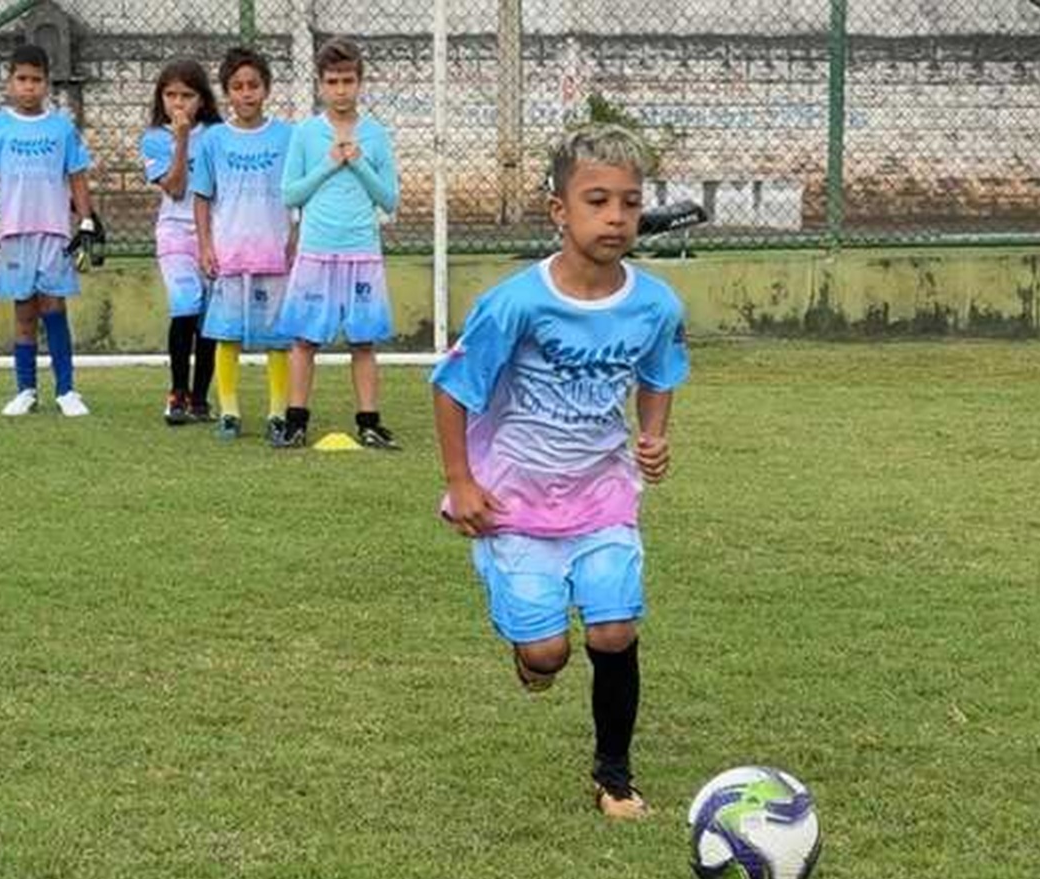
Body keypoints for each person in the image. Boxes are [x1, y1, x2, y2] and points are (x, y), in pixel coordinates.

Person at [430, 124, 689, 819]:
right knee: (548, 655)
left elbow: (660, 372)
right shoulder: (517, 303)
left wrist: (654, 434)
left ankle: (614, 776)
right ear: (559, 211)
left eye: (629, 202)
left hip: (603, 497)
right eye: (597, 201)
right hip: (514, 503)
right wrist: (460, 481)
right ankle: (530, 653)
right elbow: (452, 388)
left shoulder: (656, 304)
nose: (616, 217)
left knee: (615, 629)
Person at [273, 36, 401, 450]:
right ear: (320, 84)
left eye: (348, 81)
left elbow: (389, 199)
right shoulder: (306, 133)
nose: (341, 90)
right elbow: (290, 193)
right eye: (332, 82)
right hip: (316, 251)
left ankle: (369, 422)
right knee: (304, 339)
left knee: (363, 341)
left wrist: (359, 163)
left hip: (362, 251)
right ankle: (295, 421)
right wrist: (329, 164)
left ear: (360, 82)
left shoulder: (375, 135)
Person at [0, 43, 101, 417]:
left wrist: (86, 222)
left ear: (47, 83)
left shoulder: (61, 127)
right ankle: (25, 389)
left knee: (54, 307)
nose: (29, 87)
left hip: (54, 232)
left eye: (36, 80)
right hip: (13, 233)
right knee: (24, 311)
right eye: (22, 79)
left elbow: (77, 176)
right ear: (10, 82)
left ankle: (66, 390)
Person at [193, 46, 294, 442]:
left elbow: (300, 194)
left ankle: (278, 412)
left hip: (274, 252)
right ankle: (229, 411)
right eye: (237, 86)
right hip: (230, 253)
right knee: (227, 333)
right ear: (227, 92)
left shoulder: (288, 136)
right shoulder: (214, 140)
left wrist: (296, 238)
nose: (246, 93)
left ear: (266, 89)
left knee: (278, 338)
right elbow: (202, 197)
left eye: (253, 85)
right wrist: (205, 246)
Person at [140, 59, 223, 425]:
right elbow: (174, 188)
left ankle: (201, 398)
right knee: (184, 304)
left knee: (209, 316)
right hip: (175, 232)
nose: (178, 103)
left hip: (214, 234)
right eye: (171, 94)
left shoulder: (219, 135)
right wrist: (182, 140)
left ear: (202, 99)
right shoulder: (155, 138)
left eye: (187, 95)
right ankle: (177, 393)